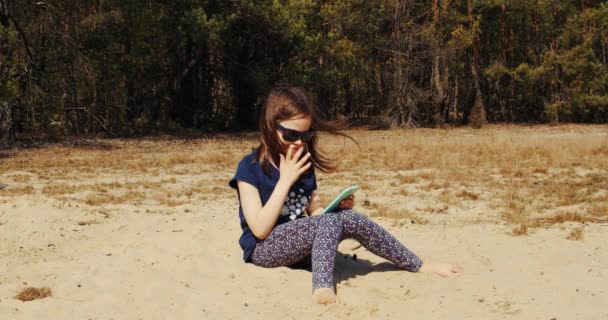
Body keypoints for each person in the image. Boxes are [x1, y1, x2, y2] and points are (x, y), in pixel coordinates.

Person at [228, 84, 462, 304]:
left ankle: (417, 264)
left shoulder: (303, 164)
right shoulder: (249, 168)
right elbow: (259, 230)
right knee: (327, 223)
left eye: (306, 136)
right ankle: (322, 287)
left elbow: (315, 212)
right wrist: (285, 181)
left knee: (348, 218)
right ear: (270, 126)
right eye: (291, 135)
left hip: (301, 252)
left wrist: (336, 209)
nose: (299, 143)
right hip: (265, 250)